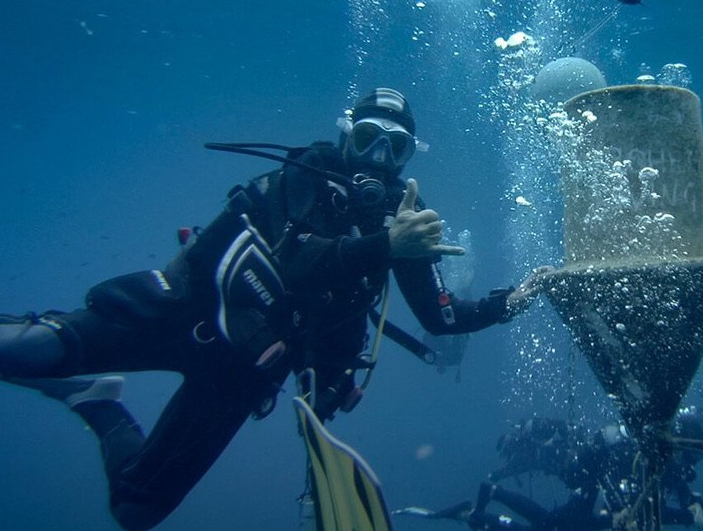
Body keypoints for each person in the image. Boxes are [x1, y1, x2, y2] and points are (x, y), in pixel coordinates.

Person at [0, 88, 546, 531]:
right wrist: (387, 246)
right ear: (345, 136)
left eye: (395, 148)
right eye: (368, 138)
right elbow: (292, 264)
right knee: (27, 351)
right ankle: (59, 355)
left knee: (136, 511)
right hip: (183, 310)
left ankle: (96, 402)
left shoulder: (403, 220)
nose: (379, 158)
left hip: (241, 370)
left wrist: (512, 301)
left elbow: (439, 317)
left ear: (407, 158)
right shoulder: (307, 174)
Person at [397, 414, 703, 530]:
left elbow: (674, 491)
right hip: (588, 495)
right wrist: (619, 511)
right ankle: (477, 509)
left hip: (589, 502)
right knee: (548, 525)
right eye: (690, 456)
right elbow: (615, 486)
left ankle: (484, 504)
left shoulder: (664, 462)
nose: (691, 466)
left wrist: (692, 504)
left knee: (547, 524)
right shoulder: (640, 454)